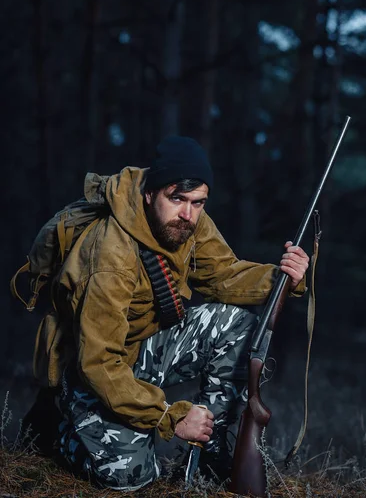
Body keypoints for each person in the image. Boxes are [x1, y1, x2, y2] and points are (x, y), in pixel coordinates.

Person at [30, 136, 309, 491]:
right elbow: (99, 363)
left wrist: (284, 277)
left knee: (236, 325)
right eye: (177, 199)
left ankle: (209, 444)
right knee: (133, 476)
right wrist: (169, 416)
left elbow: (224, 275)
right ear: (150, 194)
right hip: (92, 372)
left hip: (141, 348)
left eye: (198, 202)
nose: (188, 214)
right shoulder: (110, 257)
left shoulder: (189, 220)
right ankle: (62, 432)